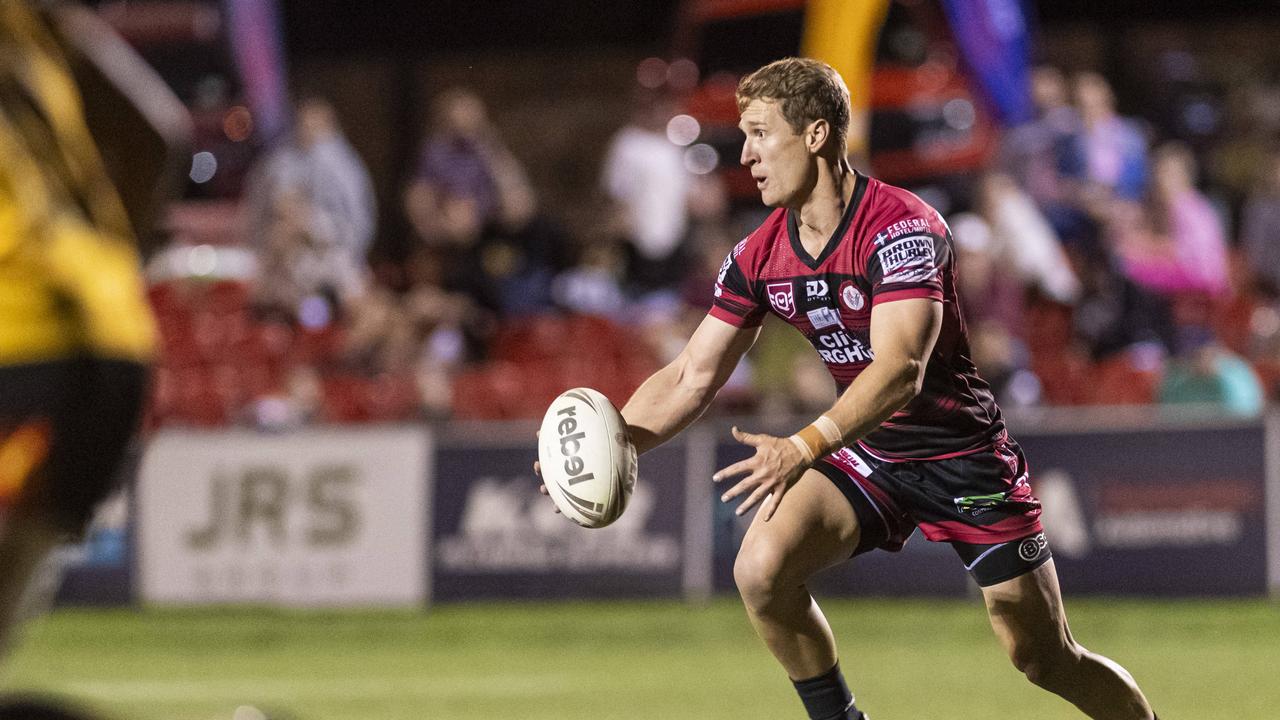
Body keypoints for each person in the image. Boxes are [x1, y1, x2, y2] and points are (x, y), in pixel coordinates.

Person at [539, 58, 1157, 719]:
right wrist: (613, 444)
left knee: (1041, 656)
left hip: (961, 454)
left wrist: (804, 445)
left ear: (813, 134)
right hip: (867, 454)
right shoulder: (757, 255)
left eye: (758, 133)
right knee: (761, 571)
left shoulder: (902, 228)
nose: (745, 155)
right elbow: (691, 373)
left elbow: (899, 370)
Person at [0, 0, 190, 661]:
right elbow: (158, 133)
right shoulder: (35, 21)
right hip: (116, 340)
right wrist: (108, 262)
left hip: (16, 337)